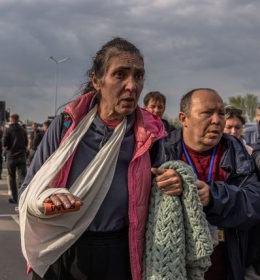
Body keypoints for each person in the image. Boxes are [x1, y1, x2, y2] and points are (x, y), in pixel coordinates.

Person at [19, 37, 183, 280]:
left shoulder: (150, 135)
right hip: (64, 247)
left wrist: (176, 182)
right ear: (97, 80)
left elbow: (165, 187)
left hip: (119, 252)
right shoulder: (67, 125)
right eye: (120, 74)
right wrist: (47, 199)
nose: (132, 85)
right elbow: (28, 191)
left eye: (138, 76)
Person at [164, 88, 260, 280]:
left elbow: (254, 203)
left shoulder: (237, 152)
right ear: (184, 119)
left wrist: (214, 197)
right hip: (175, 266)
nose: (217, 120)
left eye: (221, 113)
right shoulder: (161, 153)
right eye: (207, 113)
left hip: (227, 264)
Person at [3, 114, 28, 204]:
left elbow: (4, 143)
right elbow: (26, 143)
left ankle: (14, 198)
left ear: (11, 119)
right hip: (21, 156)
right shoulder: (23, 130)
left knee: (12, 177)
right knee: (23, 178)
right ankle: (24, 197)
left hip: (11, 156)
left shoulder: (8, 130)